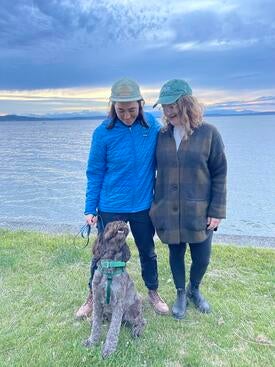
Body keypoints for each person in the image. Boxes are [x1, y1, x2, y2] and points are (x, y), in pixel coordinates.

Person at [75, 78, 169, 319]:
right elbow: (94, 172)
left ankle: (153, 292)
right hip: (111, 205)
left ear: (140, 104)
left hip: (142, 205)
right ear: (113, 107)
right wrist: (90, 208)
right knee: (103, 254)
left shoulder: (153, 127)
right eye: (121, 110)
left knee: (147, 251)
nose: (127, 116)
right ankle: (92, 297)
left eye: (132, 110)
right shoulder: (102, 133)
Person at [150, 79, 227, 320]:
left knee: (202, 257)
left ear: (187, 104)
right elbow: (150, 170)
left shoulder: (209, 133)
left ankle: (194, 288)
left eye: (173, 105)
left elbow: (220, 172)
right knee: (175, 253)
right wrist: (155, 205)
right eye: (164, 106)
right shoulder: (161, 135)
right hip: (169, 209)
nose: (168, 111)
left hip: (200, 211)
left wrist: (217, 210)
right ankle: (181, 293)